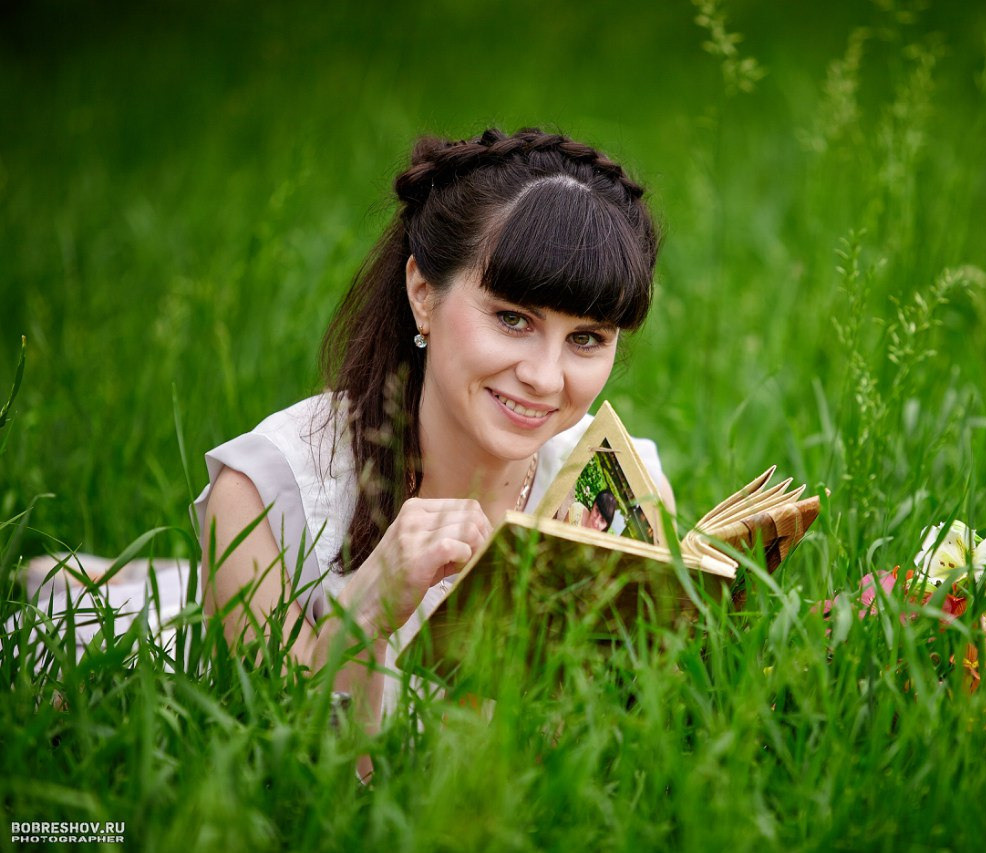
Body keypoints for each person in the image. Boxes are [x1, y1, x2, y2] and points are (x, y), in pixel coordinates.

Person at [194, 128, 676, 772]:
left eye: (587, 338)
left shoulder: (617, 490)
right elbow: (289, 783)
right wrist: (363, 613)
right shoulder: (265, 499)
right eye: (513, 319)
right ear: (423, 292)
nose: (546, 376)